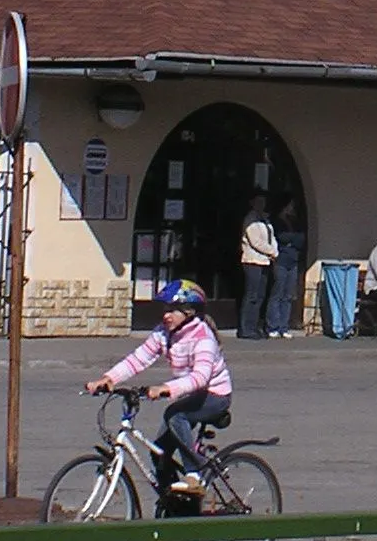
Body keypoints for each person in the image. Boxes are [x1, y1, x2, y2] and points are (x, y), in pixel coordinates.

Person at [85, 279, 231, 499]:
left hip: (215, 395)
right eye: (165, 310)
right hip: (192, 394)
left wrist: (165, 388)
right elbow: (140, 358)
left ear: (189, 312)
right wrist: (108, 378)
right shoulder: (165, 333)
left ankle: (195, 473)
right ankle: (173, 505)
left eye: (173, 310)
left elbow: (201, 377)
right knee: (159, 453)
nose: (166, 315)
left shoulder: (203, 338)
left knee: (175, 415)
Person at [238, 192, 277, 340]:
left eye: (263, 202)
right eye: (259, 202)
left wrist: (274, 250)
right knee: (251, 295)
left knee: (260, 295)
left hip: (265, 261)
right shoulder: (251, 219)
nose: (262, 205)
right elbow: (256, 242)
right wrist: (272, 251)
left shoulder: (265, 220)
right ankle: (245, 328)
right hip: (252, 261)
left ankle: (254, 326)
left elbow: (271, 237)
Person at [265, 197, 305, 339]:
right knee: (277, 293)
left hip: (293, 260)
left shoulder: (294, 222)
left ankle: (284, 326)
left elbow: (301, 239)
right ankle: (272, 326)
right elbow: (281, 237)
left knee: (288, 295)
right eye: (290, 205)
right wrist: (291, 240)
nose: (292, 208)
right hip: (281, 260)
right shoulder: (277, 222)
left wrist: (292, 240)